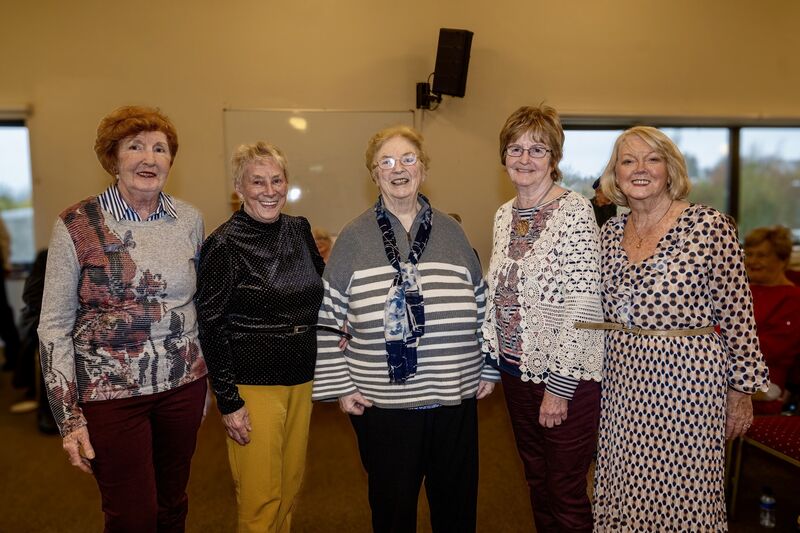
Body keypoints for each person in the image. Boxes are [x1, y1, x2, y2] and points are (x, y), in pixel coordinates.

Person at [312, 125, 498, 533]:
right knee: (393, 514)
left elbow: (483, 304)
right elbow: (326, 317)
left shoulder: (452, 231)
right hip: (386, 409)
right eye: (387, 161)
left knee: (457, 510)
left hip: (454, 401)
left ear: (424, 169)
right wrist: (342, 385)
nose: (399, 169)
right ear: (374, 174)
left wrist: (488, 367)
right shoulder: (353, 239)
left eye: (408, 159)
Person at [587, 126, 769, 531]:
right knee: (624, 487)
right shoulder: (609, 232)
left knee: (686, 495)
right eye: (627, 160)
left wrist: (740, 393)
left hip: (688, 386)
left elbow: (738, 315)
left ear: (670, 169)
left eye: (652, 159)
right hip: (622, 386)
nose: (639, 169)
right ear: (614, 174)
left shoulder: (710, 226)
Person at [38, 105, 208, 532]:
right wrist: (68, 417)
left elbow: (200, 304)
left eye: (160, 148)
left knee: (173, 505)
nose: (149, 158)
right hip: (110, 396)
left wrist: (207, 383)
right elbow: (54, 325)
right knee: (132, 516)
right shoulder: (76, 224)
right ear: (113, 158)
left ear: (171, 160)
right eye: (135, 147)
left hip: (182, 388)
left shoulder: (188, 220)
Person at [482, 105, 604, 533]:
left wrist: (560, 387)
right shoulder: (503, 215)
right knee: (536, 479)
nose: (525, 159)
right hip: (516, 371)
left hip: (566, 379)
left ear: (554, 158)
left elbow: (585, 303)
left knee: (565, 488)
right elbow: (497, 293)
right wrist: (489, 364)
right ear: (503, 156)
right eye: (515, 148)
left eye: (538, 149)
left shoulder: (575, 212)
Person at [195, 141, 326, 533]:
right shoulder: (223, 245)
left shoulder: (299, 229)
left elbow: (318, 289)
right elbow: (210, 324)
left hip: (301, 376)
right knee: (260, 499)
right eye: (257, 182)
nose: (269, 190)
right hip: (254, 384)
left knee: (289, 488)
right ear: (239, 187)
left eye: (276, 180)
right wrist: (228, 401)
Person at [744, 225, 800, 415]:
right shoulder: (739, 290)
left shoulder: (793, 299)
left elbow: (771, 349)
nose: (752, 261)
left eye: (761, 255)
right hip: (721, 367)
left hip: (763, 377)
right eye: (748, 254)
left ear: (783, 259)